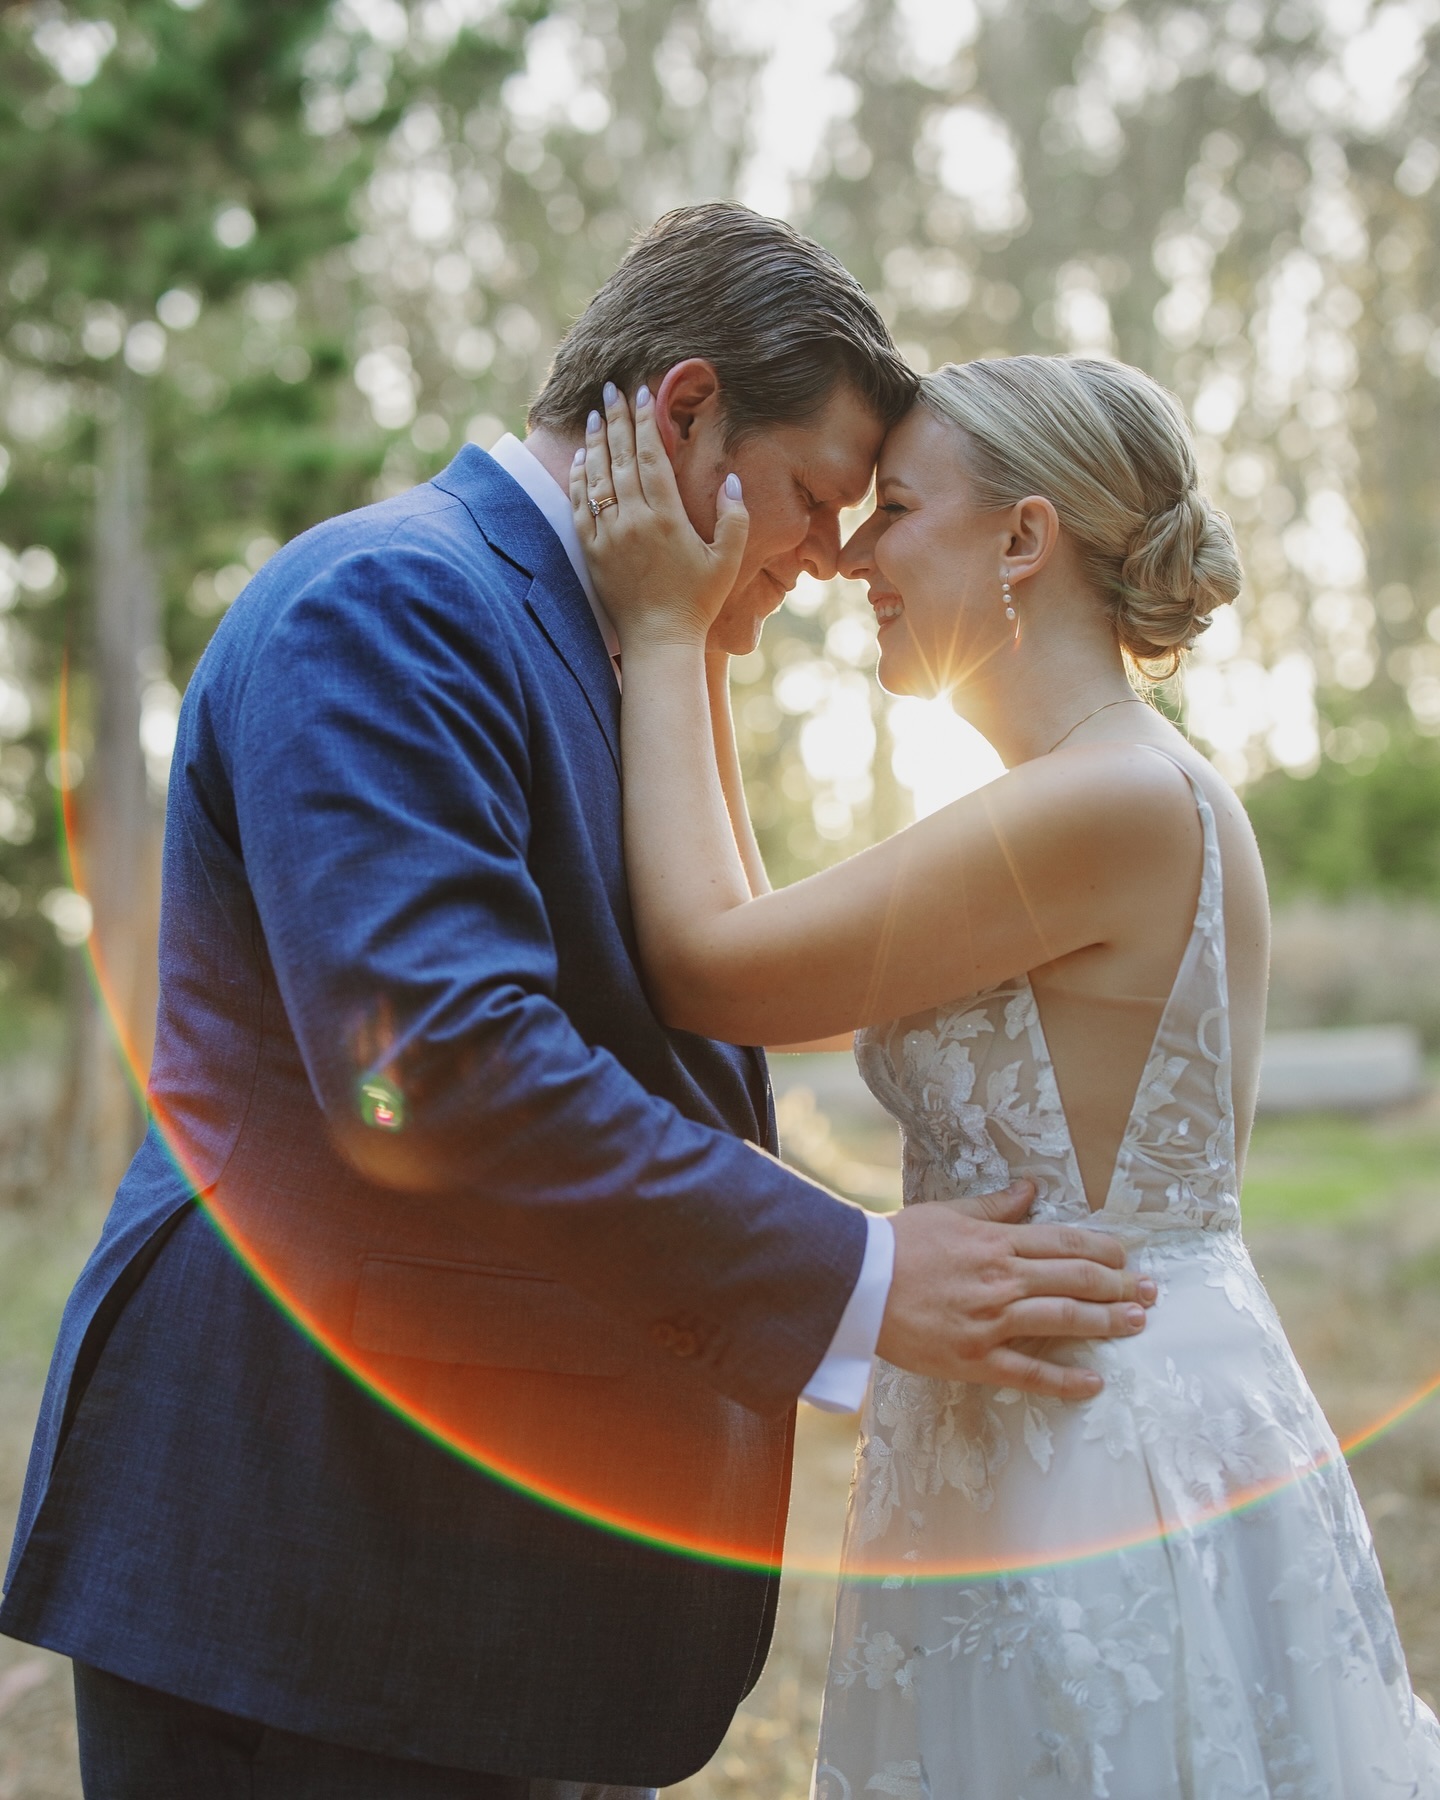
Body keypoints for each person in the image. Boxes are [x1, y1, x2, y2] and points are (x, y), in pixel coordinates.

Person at [0, 207, 1155, 1799]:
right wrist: (867, 1277)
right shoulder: (393, 604)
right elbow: (445, 1069)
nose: (830, 560)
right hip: (309, 1553)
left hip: (469, 1585)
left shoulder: (610, 648)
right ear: (686, 414)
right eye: (818, 498)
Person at [570, 354, 1440, 1796]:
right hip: (1045, 1399)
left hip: (1094, 1436)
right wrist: (714, 646)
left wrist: (668, 635)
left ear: (1024, 539)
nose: (850, 555)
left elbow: (714, 970)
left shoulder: (1107, 804)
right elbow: (758, 946)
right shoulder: (1094, 793)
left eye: (896, 507)